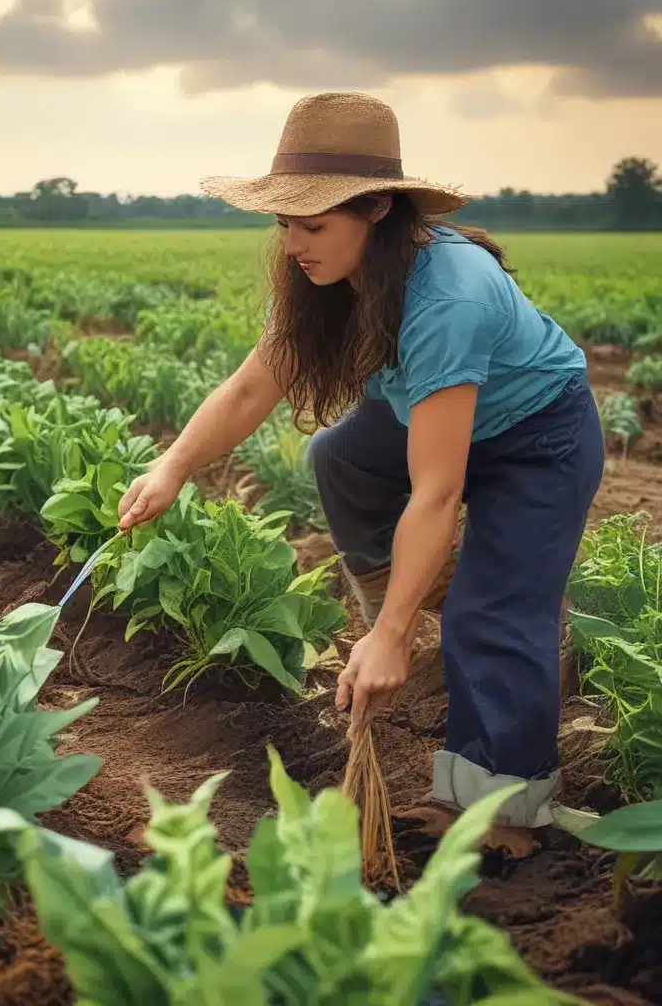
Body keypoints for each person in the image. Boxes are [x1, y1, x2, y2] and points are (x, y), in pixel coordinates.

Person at [116, 91, 604, 847]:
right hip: (435, 415)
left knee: (490, 618)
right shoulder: (325, 280)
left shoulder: (448, 296)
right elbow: (253, 385)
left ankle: (501, 815)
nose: (293, 245)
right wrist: (173, 466)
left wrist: (395, 631)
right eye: (284, 225)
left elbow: (439, 490)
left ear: (377, 211)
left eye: (313, 226)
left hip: (536, 438)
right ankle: (417, 596)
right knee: (337, 454)